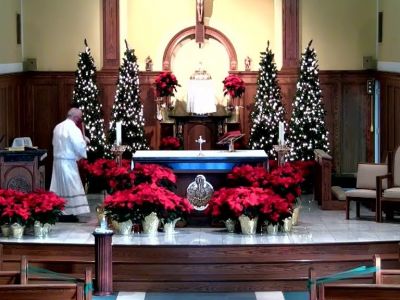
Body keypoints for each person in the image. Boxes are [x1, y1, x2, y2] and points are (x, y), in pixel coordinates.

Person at [50, 108, 90, 221]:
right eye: (79, 118)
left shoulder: (57, 127)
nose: (79, 121)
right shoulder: (73, 128)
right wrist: (85, 141)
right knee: (72, 186)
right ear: (76, 118)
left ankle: (60, 210)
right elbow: (78, 145)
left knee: (60, 186)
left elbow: (54, 143)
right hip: (67, 162)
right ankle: (69, 212)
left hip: (57, 161)